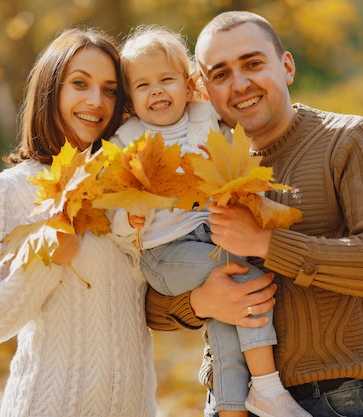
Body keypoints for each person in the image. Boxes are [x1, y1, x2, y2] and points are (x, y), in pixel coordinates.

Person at [145, 10, 363, 417]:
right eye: (220, 74)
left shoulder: (350, 139)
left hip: (334, 398)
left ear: (286, 66)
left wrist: (264, 243)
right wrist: (201, 302)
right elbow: (151, 292)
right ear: (203, 89)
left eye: (253, 64)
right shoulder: (197, 165)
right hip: (230, 401)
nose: (239, 84)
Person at [110, 24, 309, 417]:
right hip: (164, 252)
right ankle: (268, 386)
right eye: (143, 85)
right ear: (131, 99)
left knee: (227, 314)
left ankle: (232, 409)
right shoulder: (126, 141)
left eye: (166, 79)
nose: (157, 91)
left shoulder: (209, 121)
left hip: (209, 237)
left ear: (188, 85)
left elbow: (238, 164)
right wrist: (129, 219)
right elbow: (116, 215)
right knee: (246, 280)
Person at [0, 27, 157, 417]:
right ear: (51, 89)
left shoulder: (129, 185)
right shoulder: (11, 191)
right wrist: (46, 261)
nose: (95, 101)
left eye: (109, 89)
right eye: (79, 84)